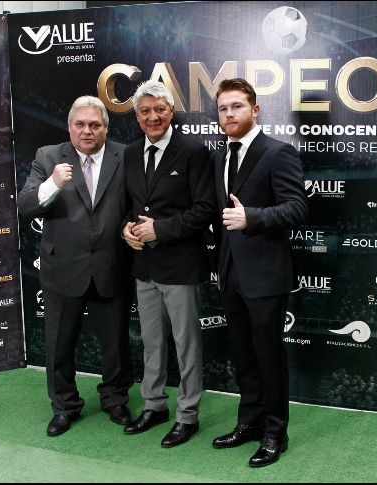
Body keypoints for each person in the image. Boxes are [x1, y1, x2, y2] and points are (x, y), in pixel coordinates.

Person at [17, 95, 134, 436]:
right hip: (63, 267)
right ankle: (64, 406)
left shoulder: (124, 155)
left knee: (116, 343)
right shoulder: (48, 157)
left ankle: (115, 399)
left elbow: (134, 203)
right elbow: (26, 206)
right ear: (69, 127)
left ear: (106, 129)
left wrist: (130, 225)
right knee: (59, 344)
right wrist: (53, 183)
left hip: (112, 265)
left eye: (95, 125)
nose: (87, 131)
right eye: (80, 124)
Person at [210, 78, 308, 467]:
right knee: (243, 356)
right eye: (222, 108)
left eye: (236, 106)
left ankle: (274, 433)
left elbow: (297, 209)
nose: (229, 114)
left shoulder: (277, 153)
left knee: (268, 357)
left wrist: (251, 217)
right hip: (230, 273)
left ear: (255, 110)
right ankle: (248, 423)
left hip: (265, 275)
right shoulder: (219, 156)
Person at [121, 80, 214, 447]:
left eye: (159, 109)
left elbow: (205, 210)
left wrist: (159, 229)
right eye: (145, 111)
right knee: (152, 343)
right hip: (144, 266)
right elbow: (130, 207)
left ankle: (187, 415)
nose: (152, 116)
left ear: (171, 112)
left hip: (181, 266)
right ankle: (154, 405)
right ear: (137, 117)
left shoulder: (193, 151)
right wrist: (125, 230)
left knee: (186, 345)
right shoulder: (129, 154)